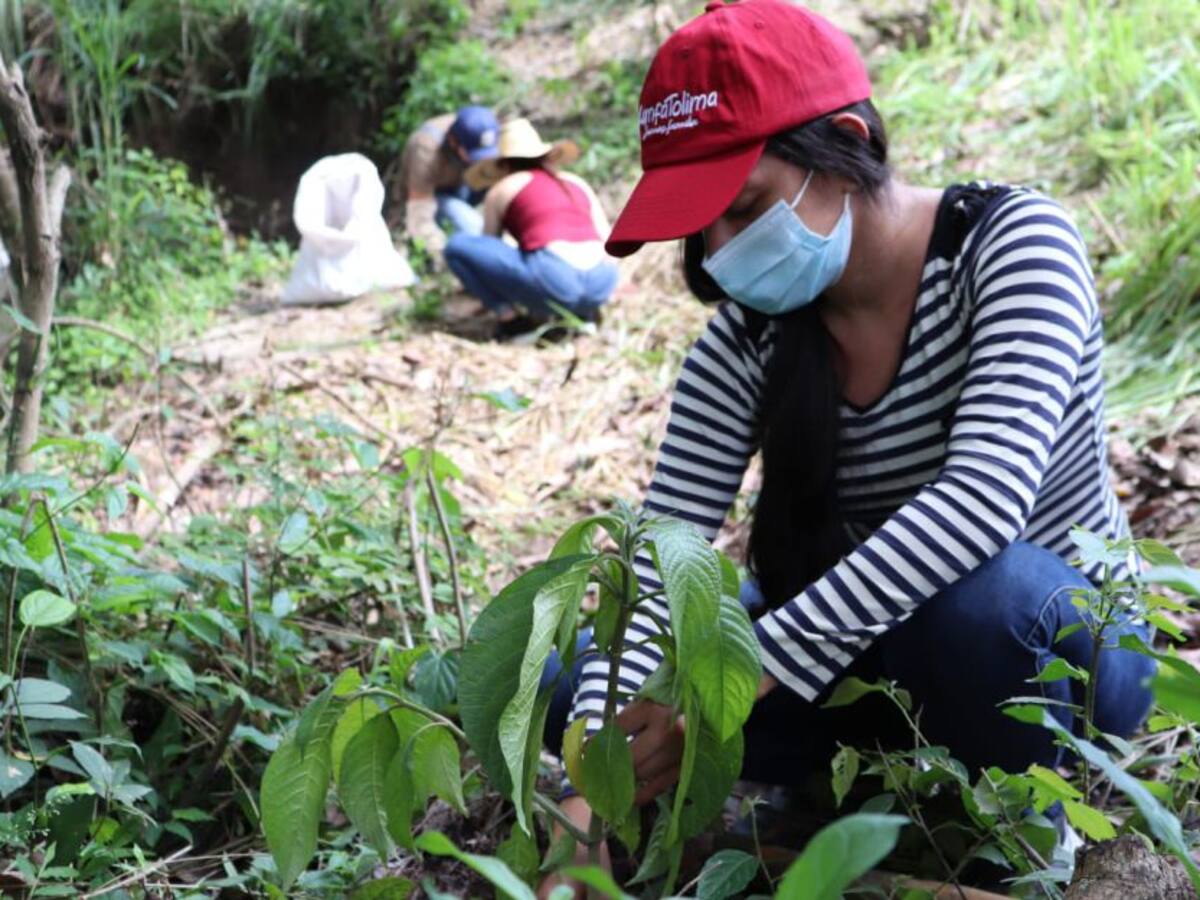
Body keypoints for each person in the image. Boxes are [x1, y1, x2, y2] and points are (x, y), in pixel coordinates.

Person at [539, 0, 1155, 893]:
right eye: (699, 230)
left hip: (1051, 655)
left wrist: (738, 676)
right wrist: (592, 773)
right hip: (868, 671)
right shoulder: (746, 341)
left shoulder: (1011, 247)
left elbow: (980, 503)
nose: (719, 252)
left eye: (741, 207)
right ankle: (862, 787)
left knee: (982, 607)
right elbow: (663, 552)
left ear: (849, 141)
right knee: (578, 676)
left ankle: (1019, 824)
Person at [444, 118, 619, 338]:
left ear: (503, 164)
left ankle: (510, 320)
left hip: (555, 279)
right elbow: (609, 242)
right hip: (602, 282)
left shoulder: (503, 188)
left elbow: (489, 246)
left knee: (457, 246)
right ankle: (583, 313)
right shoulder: (574, 181)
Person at [397, 105, 499, 260]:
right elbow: (419, 211)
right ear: (453, 141)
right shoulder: (426, 148)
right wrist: (441, 253)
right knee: (475, 230)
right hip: (433, 196)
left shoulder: (483, 131)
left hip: (463, 186)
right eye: (474, 154)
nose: (483, 160)